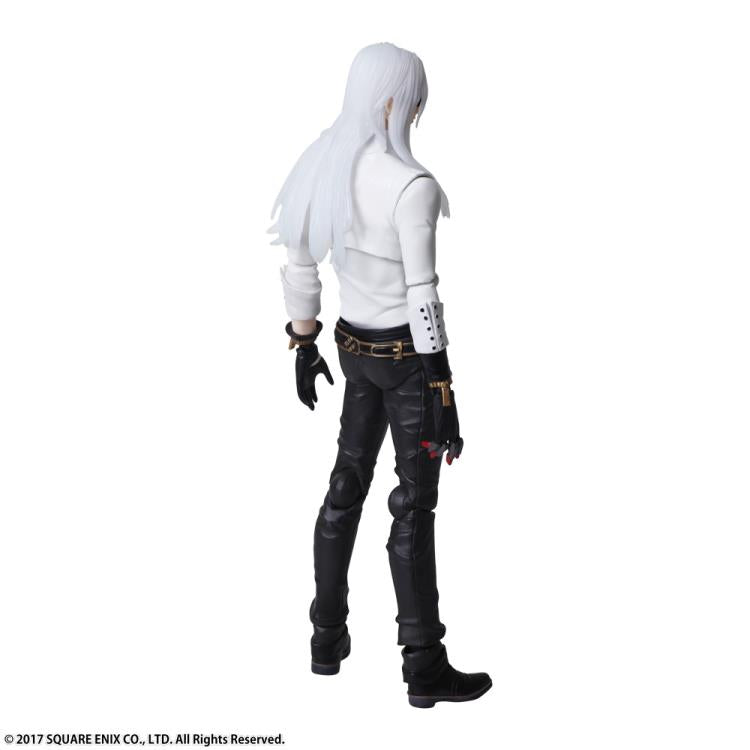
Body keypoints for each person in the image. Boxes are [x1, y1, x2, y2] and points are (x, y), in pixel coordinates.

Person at [270, 42, 491, 708]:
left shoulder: (323, 163)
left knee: (345, 487)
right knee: (411, 507)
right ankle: (423, 666)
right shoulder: (410, 185)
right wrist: (444, 388)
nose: (418, 111)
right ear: (395, 99)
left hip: (351, 351)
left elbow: (299, 261)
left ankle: (325, 638)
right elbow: (423, 295)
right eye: (415, 99)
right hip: (408, 364)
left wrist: (303, 342)